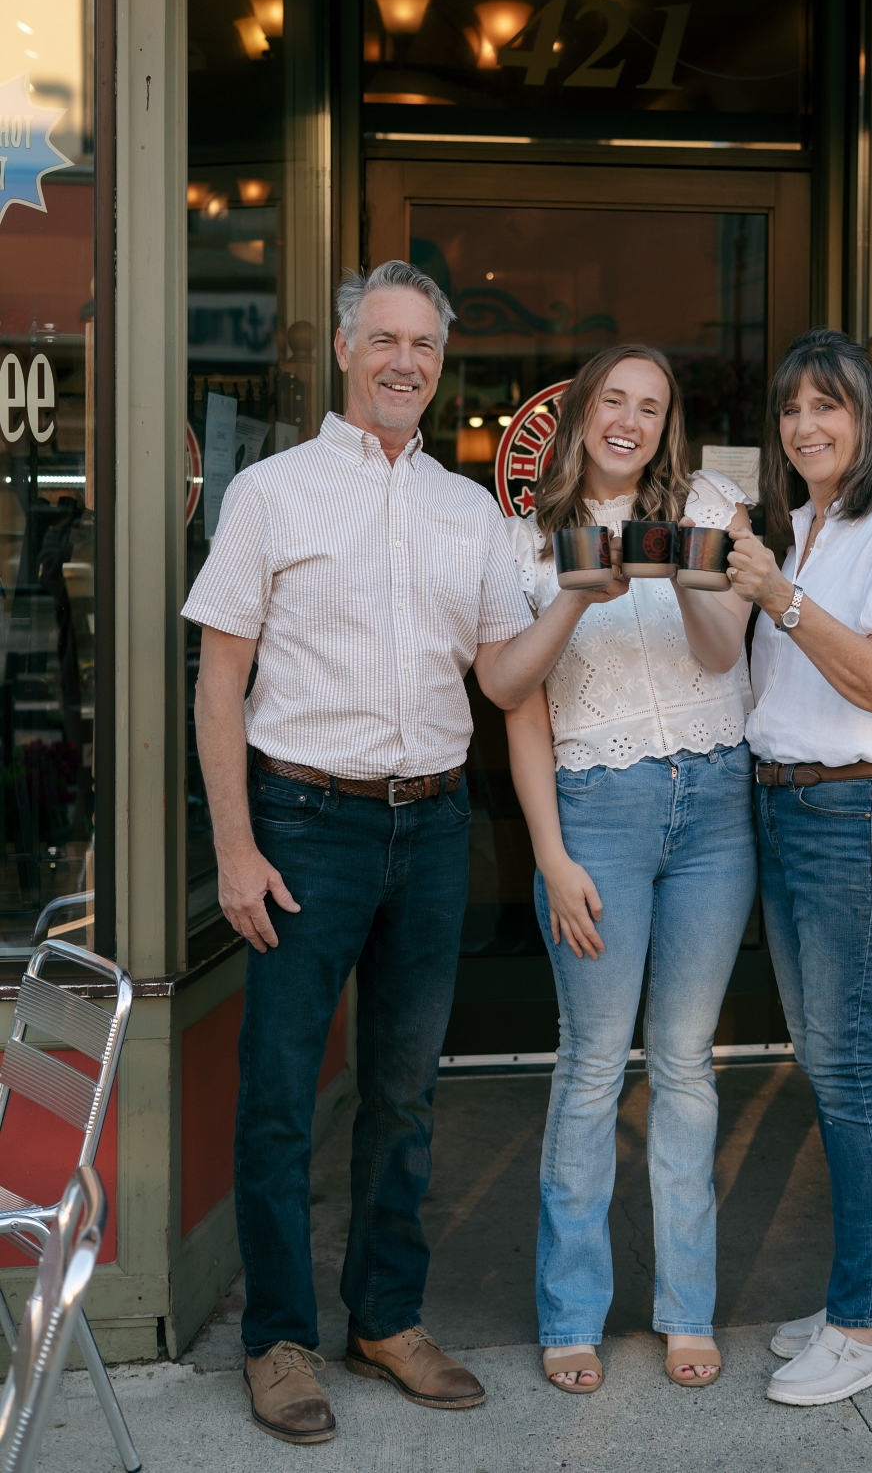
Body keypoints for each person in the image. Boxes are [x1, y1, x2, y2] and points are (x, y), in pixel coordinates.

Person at [184, 260, 569, 1443]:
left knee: (404, 1093)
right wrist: (235, 847)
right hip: (306, 822)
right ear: (348, 348)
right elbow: (220, 678)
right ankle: (280, 1337)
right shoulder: (271, 490)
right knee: (283, 1094)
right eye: (387, 338)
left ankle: (385, 1316)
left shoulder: (473, 513)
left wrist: (581, 600)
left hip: (437, 822)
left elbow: (504, 679)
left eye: (426, 346)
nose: (406, 361)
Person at [504, 343, 758, 1395]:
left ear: (669, 422)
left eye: (652, 407)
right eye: (616, 399)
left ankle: (685, 1307)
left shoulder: (714, 500)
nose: (633, 420)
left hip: (714, 804)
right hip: (597, 808)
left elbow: (720, 653)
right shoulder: (525, 538)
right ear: (581, 411)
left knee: (689, 1066)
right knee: (595, 1063)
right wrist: (550, 854)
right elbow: (515, 699)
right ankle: (572, 1312)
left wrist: (689, 569)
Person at [726, 328, 872, 1408]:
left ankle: (863, 1324)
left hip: (861, 812)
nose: (806, 426)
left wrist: (778, 594)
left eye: (829, 405)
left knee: (849, 1069)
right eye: (790, 410)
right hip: (794, 812)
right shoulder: (813, 527)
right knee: (828, 1063)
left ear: (867, 416)